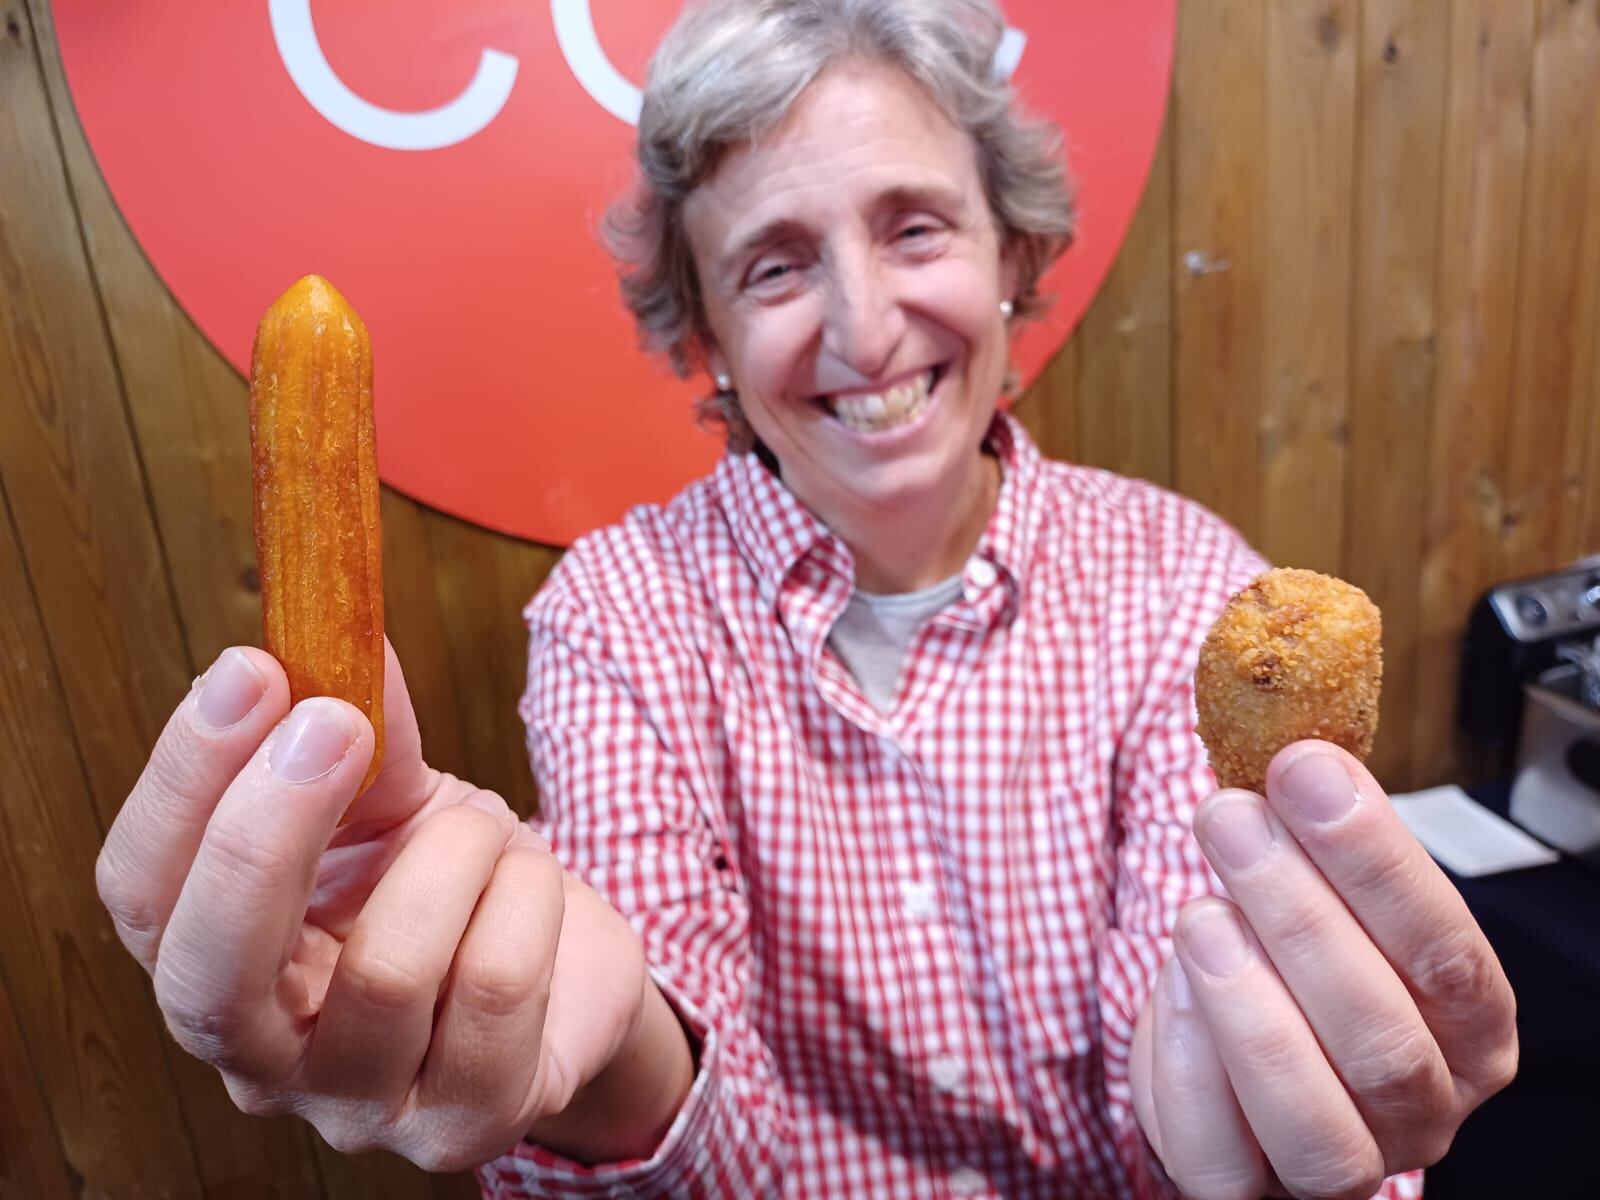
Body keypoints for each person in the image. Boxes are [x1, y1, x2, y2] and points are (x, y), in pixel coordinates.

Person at [95, 2, 1516, 1197]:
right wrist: (589, 1067)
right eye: (775, 266)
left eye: (914, 230)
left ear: (1012, 257)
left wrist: (1257, 1123)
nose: (862, 324)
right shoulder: (622, 615)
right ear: (704, 333)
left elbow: (1189, 1017)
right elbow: (680, 1094)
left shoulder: (1183, 581)